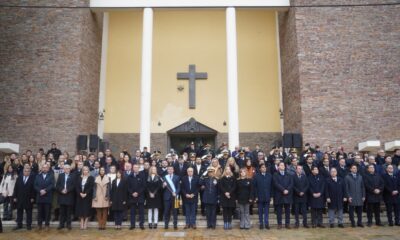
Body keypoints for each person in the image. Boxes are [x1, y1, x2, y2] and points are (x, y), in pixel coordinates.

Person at [13, 166, 35, 231]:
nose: (26, 172)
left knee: (29, 213)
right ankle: (19, 225)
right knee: (19, 212)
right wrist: (15, 196)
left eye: (28, 171)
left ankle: (28, 225)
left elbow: (34, 189)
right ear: (23, 171)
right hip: (19, 198)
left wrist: (33, 197)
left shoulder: (32, 179)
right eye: (25, 171)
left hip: (28, 199)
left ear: (30, 172)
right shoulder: (19, 178)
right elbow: (16, 188)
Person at [273, 162, 293, 229]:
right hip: (279, 195)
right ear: (278, 167)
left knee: (287, 211)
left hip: (287, 194)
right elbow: (276, 183)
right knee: (279, 211)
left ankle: (287, 224)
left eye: (283, 165)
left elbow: (291, 183)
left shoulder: (289, 174)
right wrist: (283, 190)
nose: (282, 166)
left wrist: (287, 190)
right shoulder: (275, 174)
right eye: (281, 165)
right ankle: (279, 224)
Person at [34, 163, 54, 230]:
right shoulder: (37, 176)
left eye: (46, 168)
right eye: (43, 167)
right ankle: (39, 225)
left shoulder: (51, 176)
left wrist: (45, 190)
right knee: (40, 212)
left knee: (47, 212)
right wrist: (40, 190)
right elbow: (35, 185)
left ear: (48, 169)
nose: (45, 169)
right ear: (41, 168)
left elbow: (52, 185)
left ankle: (47, 225)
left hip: (48, 196)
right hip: (40, 196)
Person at [252, 164, 273, 229]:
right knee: (260, 211)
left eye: (265, 167)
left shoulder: (269, 176)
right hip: (259, 196)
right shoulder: (256, 176)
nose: (264, 168)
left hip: (267, 196)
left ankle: (266, 223)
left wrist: (271, 196)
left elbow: (272, 187)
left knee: (266, 211)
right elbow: (254, 187)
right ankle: (261, 223)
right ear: (260, 169)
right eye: (262, 167)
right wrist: (256, 196)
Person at [55, 164, 75, 230]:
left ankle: (68, 224)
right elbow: (57, 185)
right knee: (62, 212)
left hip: (69, 195)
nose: (67, 169)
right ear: (63, 169)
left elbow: (74, 186)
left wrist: (68, 190)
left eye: (68, 168)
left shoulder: (73, 176)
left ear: (70, 169)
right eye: (65, 168)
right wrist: (61, 190)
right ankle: (61, 224)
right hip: (62, 196)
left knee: (69, 212)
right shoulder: (60, 176)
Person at [75, 166, 94, 230]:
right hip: (80, 196)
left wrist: (86, 193)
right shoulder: (79, 177)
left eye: (86, 170)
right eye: (84, 170)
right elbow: (76, 186)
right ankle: (81, 221)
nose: (85, 171)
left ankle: (86, 222)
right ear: (82, 171)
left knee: (87, 209)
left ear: (88, 171)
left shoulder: (91, 178)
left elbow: (91, 187)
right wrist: (80, 193)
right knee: (80, 209)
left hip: (87, 196)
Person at [127, 164, 146, 230]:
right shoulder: (130, 176)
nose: (136, 168)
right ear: (133, 168)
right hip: (132, 197)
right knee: (132, 212)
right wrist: (132, 193)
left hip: (140, 196)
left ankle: (141, 224)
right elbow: (128, 187)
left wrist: (138, 192)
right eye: (134, 167)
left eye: (137, 167)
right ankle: (132, 225)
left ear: (139, 168)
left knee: (141, 211)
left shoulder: (142, 176)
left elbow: (144, 186)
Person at [162, 165, 180, 230]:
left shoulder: (177, 177)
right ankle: (166, 224)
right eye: (169, 169)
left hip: (175, 197)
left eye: (171, 169)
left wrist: (176, 192)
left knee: (175, 212)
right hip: (167, 197)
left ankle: (175, 224)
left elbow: (178, 187)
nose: (170, 170)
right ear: (167, 170)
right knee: (166, 211)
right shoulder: (164, 177)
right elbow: (162, 189)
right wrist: (163, 186)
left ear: (173, 170)